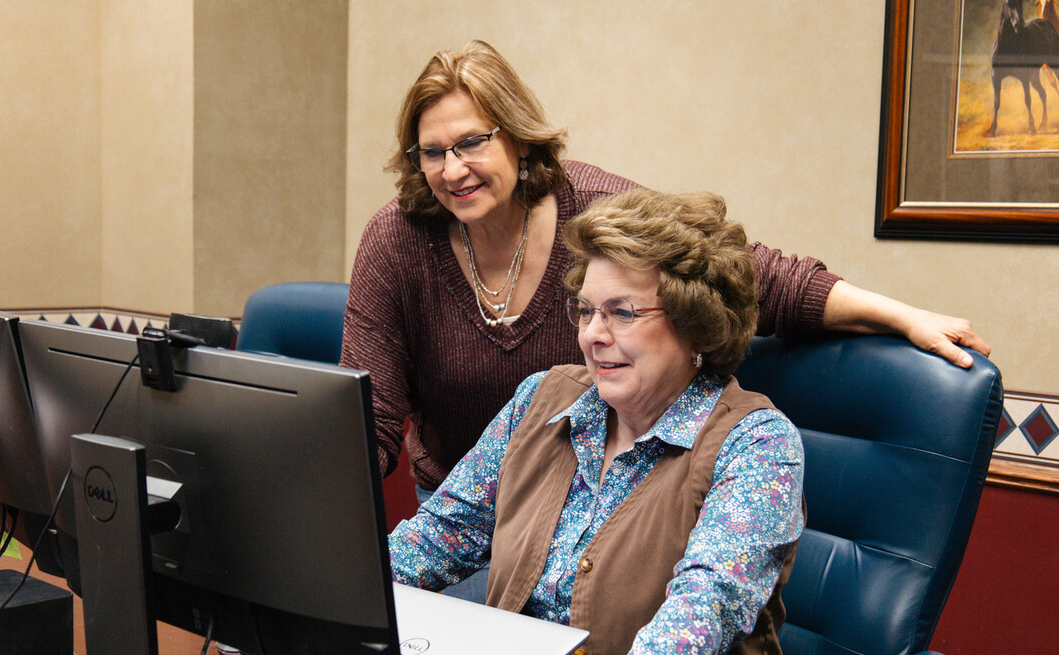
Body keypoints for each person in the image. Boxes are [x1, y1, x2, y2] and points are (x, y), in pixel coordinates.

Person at [339, 39, 989, 600]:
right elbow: (371, 440)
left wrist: (902, 316)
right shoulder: (534, 396)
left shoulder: (598, 218)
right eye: (432, 152)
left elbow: (749, 274)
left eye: (472, 142)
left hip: (598, 522)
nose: (453, 169)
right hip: (478, 505)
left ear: (514, 134)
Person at [389, 188, 805, 654]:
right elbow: (442, 532)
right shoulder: (539, 400)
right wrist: (339, 591)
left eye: (621, 313)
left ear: (696, 324)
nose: (591, 335)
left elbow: (700, 617)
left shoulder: (759, 445)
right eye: (586, 311)